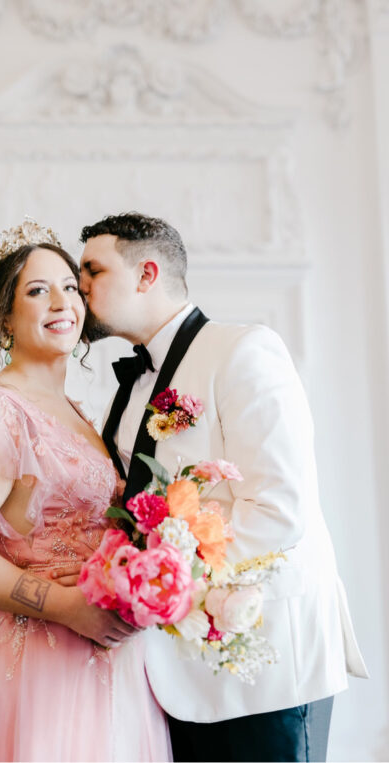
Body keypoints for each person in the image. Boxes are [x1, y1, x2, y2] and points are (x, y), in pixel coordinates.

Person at [75, 211, 368, 761]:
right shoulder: (129, 386)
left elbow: (280, 509)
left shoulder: (245, 350)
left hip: (266, 664)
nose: (80, 284)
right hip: (171, 677)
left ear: (147, 273)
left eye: (93, 268)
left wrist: (160, 586)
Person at [0, 220, 171, 761]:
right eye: (38, 291)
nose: (62, 302)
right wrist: (64, 607)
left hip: (106, 657)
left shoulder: (78, 413)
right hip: (36, 660)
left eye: (71, 288)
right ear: (3, 319)